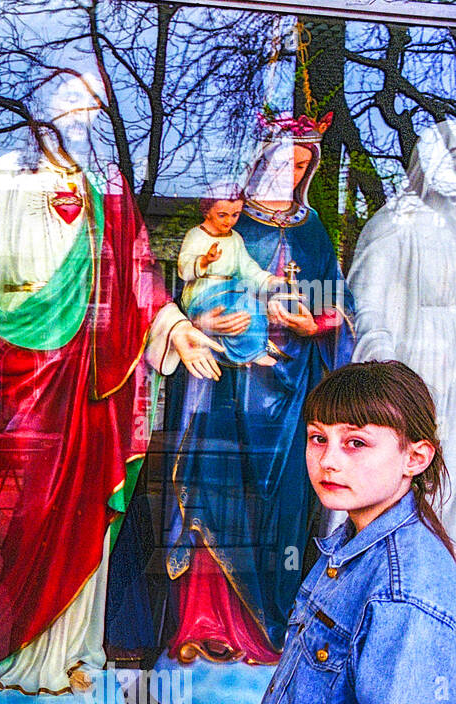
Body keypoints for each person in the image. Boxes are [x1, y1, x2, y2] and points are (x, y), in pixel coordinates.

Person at [0, 69, 221, 700]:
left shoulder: (108, 193)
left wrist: (173, 328)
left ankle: (74, 653)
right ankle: (9, 651)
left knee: (85, 514)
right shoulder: (7, 180)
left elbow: (140, 277)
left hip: (95, 385)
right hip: (24, 376)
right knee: (23, 512)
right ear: (41, 110)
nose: (83, 113)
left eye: (91, 104)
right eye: (71, 101)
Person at [235, 361, 456, 704]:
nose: (329, 461)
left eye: (356, 443)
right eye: (317, 438)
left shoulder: (403, 585)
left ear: (415, 457)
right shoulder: (351, 548)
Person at [162, 113, 354, 670]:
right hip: (230, 386)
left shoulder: (314, 229)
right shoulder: (231, 225)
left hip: (294, 394)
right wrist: (210, 321)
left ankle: (270, 629)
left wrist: (314, 326)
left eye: (302, 166)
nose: (292, 175)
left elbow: (339, 305)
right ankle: (205, 626)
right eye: (282, 163)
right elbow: (197, 291)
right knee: (219, 490)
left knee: (284, 510)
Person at [347, 118, 456, 678]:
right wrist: (382, 359)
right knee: (395, 484)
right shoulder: (396, 221)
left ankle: (428, 610)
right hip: (413, 370)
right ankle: (377, 602)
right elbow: (368, 296)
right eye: (455, 163)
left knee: (448, 494)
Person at [177, 192, 283, 367]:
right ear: (207, 212)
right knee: (236, 310)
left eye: (235, 215)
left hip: (229, 289)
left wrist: (269, 280)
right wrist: (204, 260)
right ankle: (244, 352)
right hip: (203, 293)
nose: (229, 221)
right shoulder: (196, 235)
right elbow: (184, 267)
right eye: (222, 215)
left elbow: (247, 267)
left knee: (254, 307)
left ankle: (251, 352)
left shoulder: (235, 238)